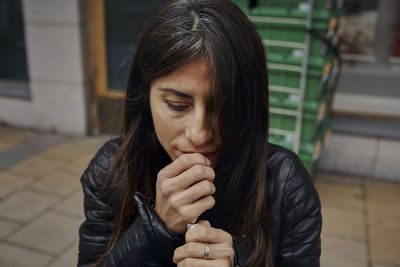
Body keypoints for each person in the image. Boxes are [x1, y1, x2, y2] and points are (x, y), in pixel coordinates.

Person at [78, 0, 322, 266]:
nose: (199, 134)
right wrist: (155, 230)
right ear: (145, 96)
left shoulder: (286, 185)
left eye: (224, 106)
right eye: (177, 105)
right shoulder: (112, 172)